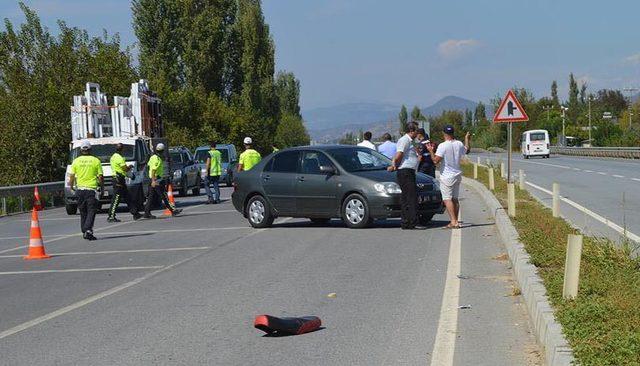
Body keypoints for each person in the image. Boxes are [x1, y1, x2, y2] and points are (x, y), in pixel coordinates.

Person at [426, 125, 470, 229]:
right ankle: (456, 221)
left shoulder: (443, 146)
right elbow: (467, 150)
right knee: (455, 199)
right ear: (453, 133)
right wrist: (466, 139)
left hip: (447, 175)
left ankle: (453, 221)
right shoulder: (459, 143)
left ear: (444, 133)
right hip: (457, 174)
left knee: (447, 199)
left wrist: (431, 150)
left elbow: (436, 160)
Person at [387, 122, 421, 230]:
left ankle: (410, 220)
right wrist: (394, 165)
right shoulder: (404, 140)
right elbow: (399, 154)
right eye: (416, 130)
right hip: (405, 171)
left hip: (409, 171)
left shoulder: (410, 141)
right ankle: (408, 221)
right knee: (409, 197)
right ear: (411, 131)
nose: (417, 132)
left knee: (410, 196)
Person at [68, 140, 103, 240]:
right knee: (91, 210)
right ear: (90, 149)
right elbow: (100, 177)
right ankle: (87, 229)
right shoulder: (96, 160)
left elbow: (72, 176)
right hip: (91, 189)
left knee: (83, 211)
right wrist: (101, 187)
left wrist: (71, 187)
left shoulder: (76, 161)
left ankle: (84, 230)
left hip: (80, 190)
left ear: (81, 150)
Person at [143, 143, 182, 219]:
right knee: (164, 196)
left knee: (151, 197)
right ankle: (173, 210)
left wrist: (150, 179)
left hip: (152, 179)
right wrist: (154, 180)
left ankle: (146, 213)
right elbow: (153, 170)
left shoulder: (152, 157)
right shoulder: (157, 159)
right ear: (162, 151)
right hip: (156, 180)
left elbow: (148, 167)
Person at [107, 143, 142, 222]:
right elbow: (124, 169)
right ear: (122, 149)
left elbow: (122, 170)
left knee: (128, 197)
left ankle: (135, 213)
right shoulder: (119, 158)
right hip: (118, 180)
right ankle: (111, 216)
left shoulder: (113, 156)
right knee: (116, 198)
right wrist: (129, 167)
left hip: (119, 178)